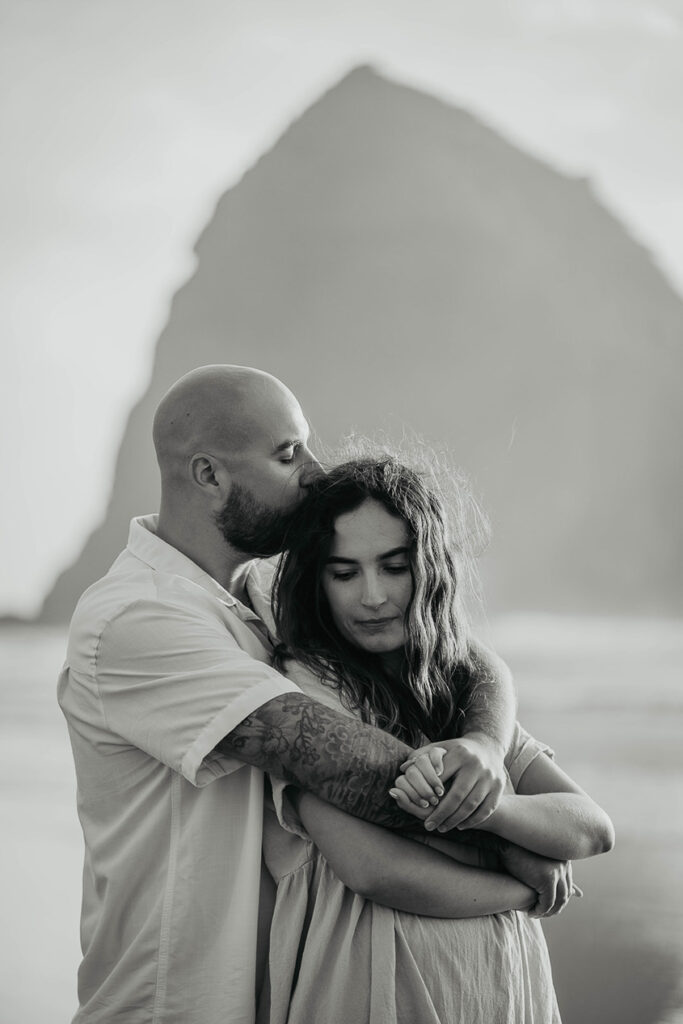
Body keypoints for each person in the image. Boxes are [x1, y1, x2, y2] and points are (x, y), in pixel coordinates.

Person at [58, 365, 519, 1024]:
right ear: (209, 475)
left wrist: (485, 746)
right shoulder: (137, 618)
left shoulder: (269, 591)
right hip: (169, 1008)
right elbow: (352, 768)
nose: (312, 469)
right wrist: (526, 846)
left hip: (279, 999)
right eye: (285, 454)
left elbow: (463, 658)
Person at [259, 455, 615, 1024]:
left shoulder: (457, 690)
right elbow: (372, 869)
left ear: (429, 568)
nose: (372, 596)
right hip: (373, 991)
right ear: (317, 581)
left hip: (503, 987)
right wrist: (526, 884)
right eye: (344, 573)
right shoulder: (307, 691)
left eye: (394, 567)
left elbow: (592, 828)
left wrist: (489, 803)